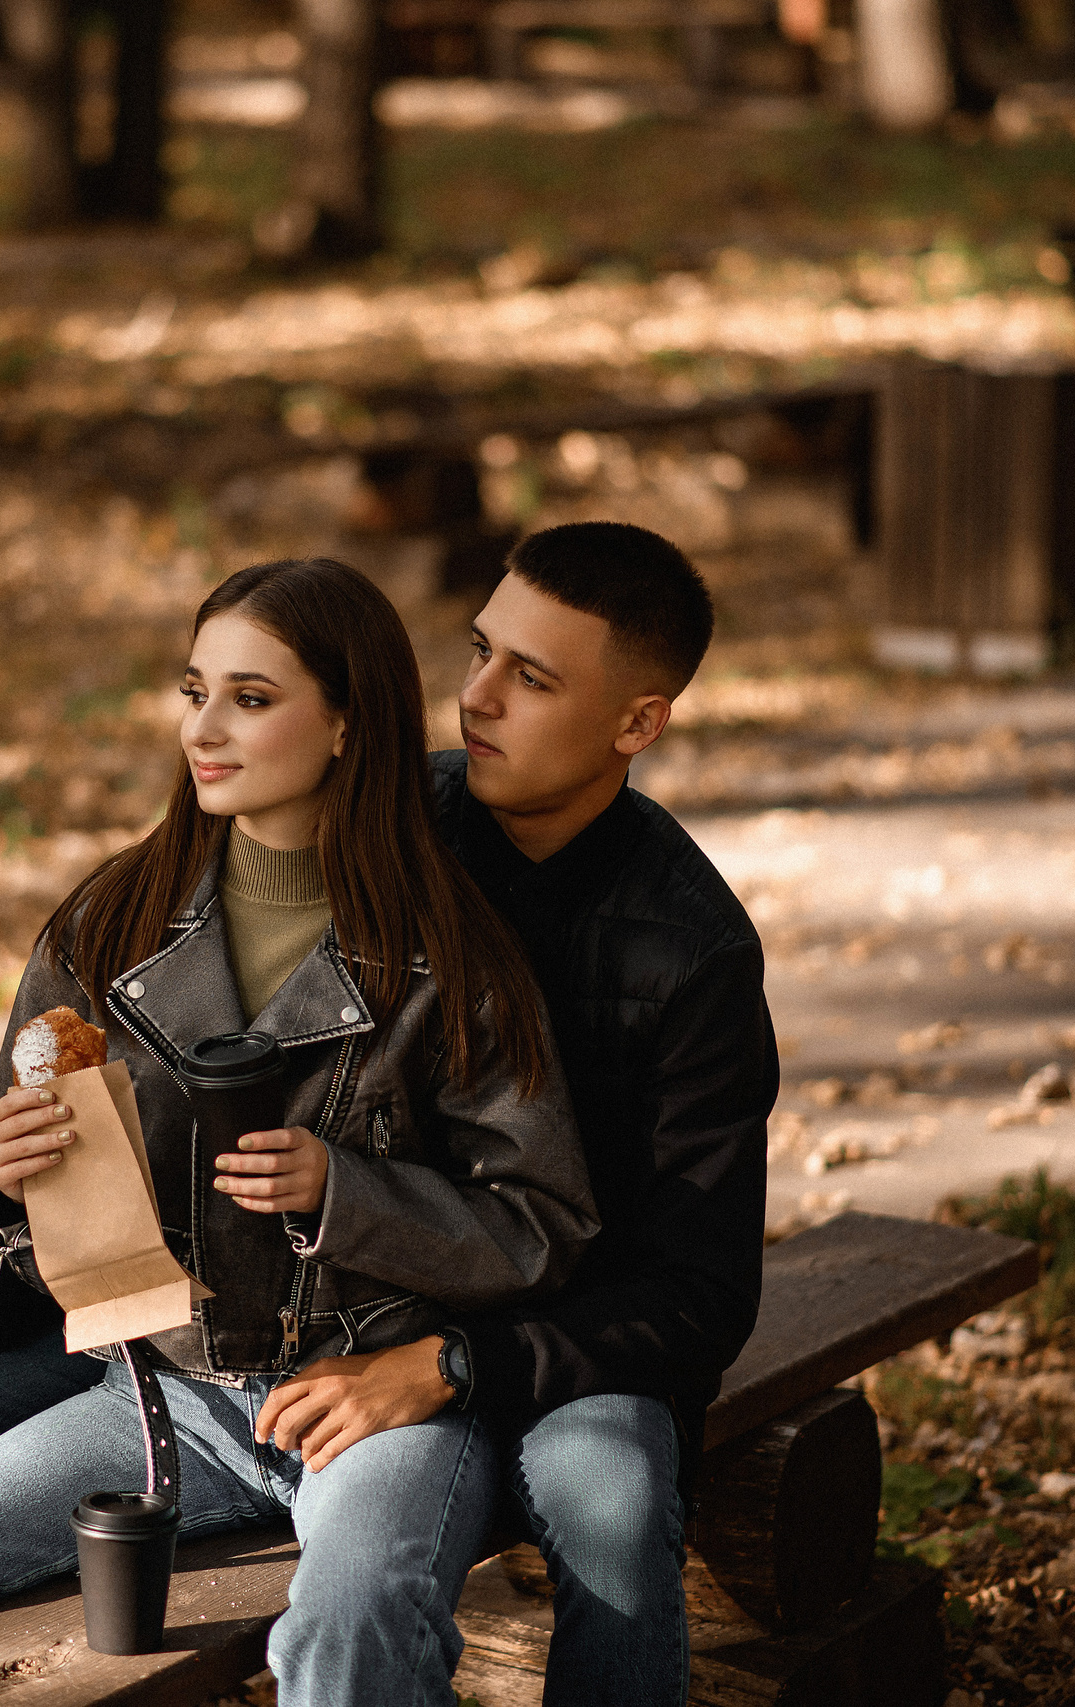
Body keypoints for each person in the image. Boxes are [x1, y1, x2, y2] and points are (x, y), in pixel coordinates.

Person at [0, 557, 597, 1705]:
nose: (204, 727)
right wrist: (2, 1204)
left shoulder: (454, 954)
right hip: (173, 1397)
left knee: (347, 1623)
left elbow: (542, 1222)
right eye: (194, 691)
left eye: (251, 697)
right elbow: (58, 1221)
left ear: (344, 725)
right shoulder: (109, 921)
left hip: (376, 1397)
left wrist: (346, 1191)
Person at [256, 521, 778, 1707]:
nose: (474, 698)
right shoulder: (390, 825)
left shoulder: (690, 952)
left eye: (531, 679)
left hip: (570, 1353)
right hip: (351, 1301)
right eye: (480, 651)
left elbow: (695, 1300)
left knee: (616, 1496)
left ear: (637, 724)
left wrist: (452, 1366)